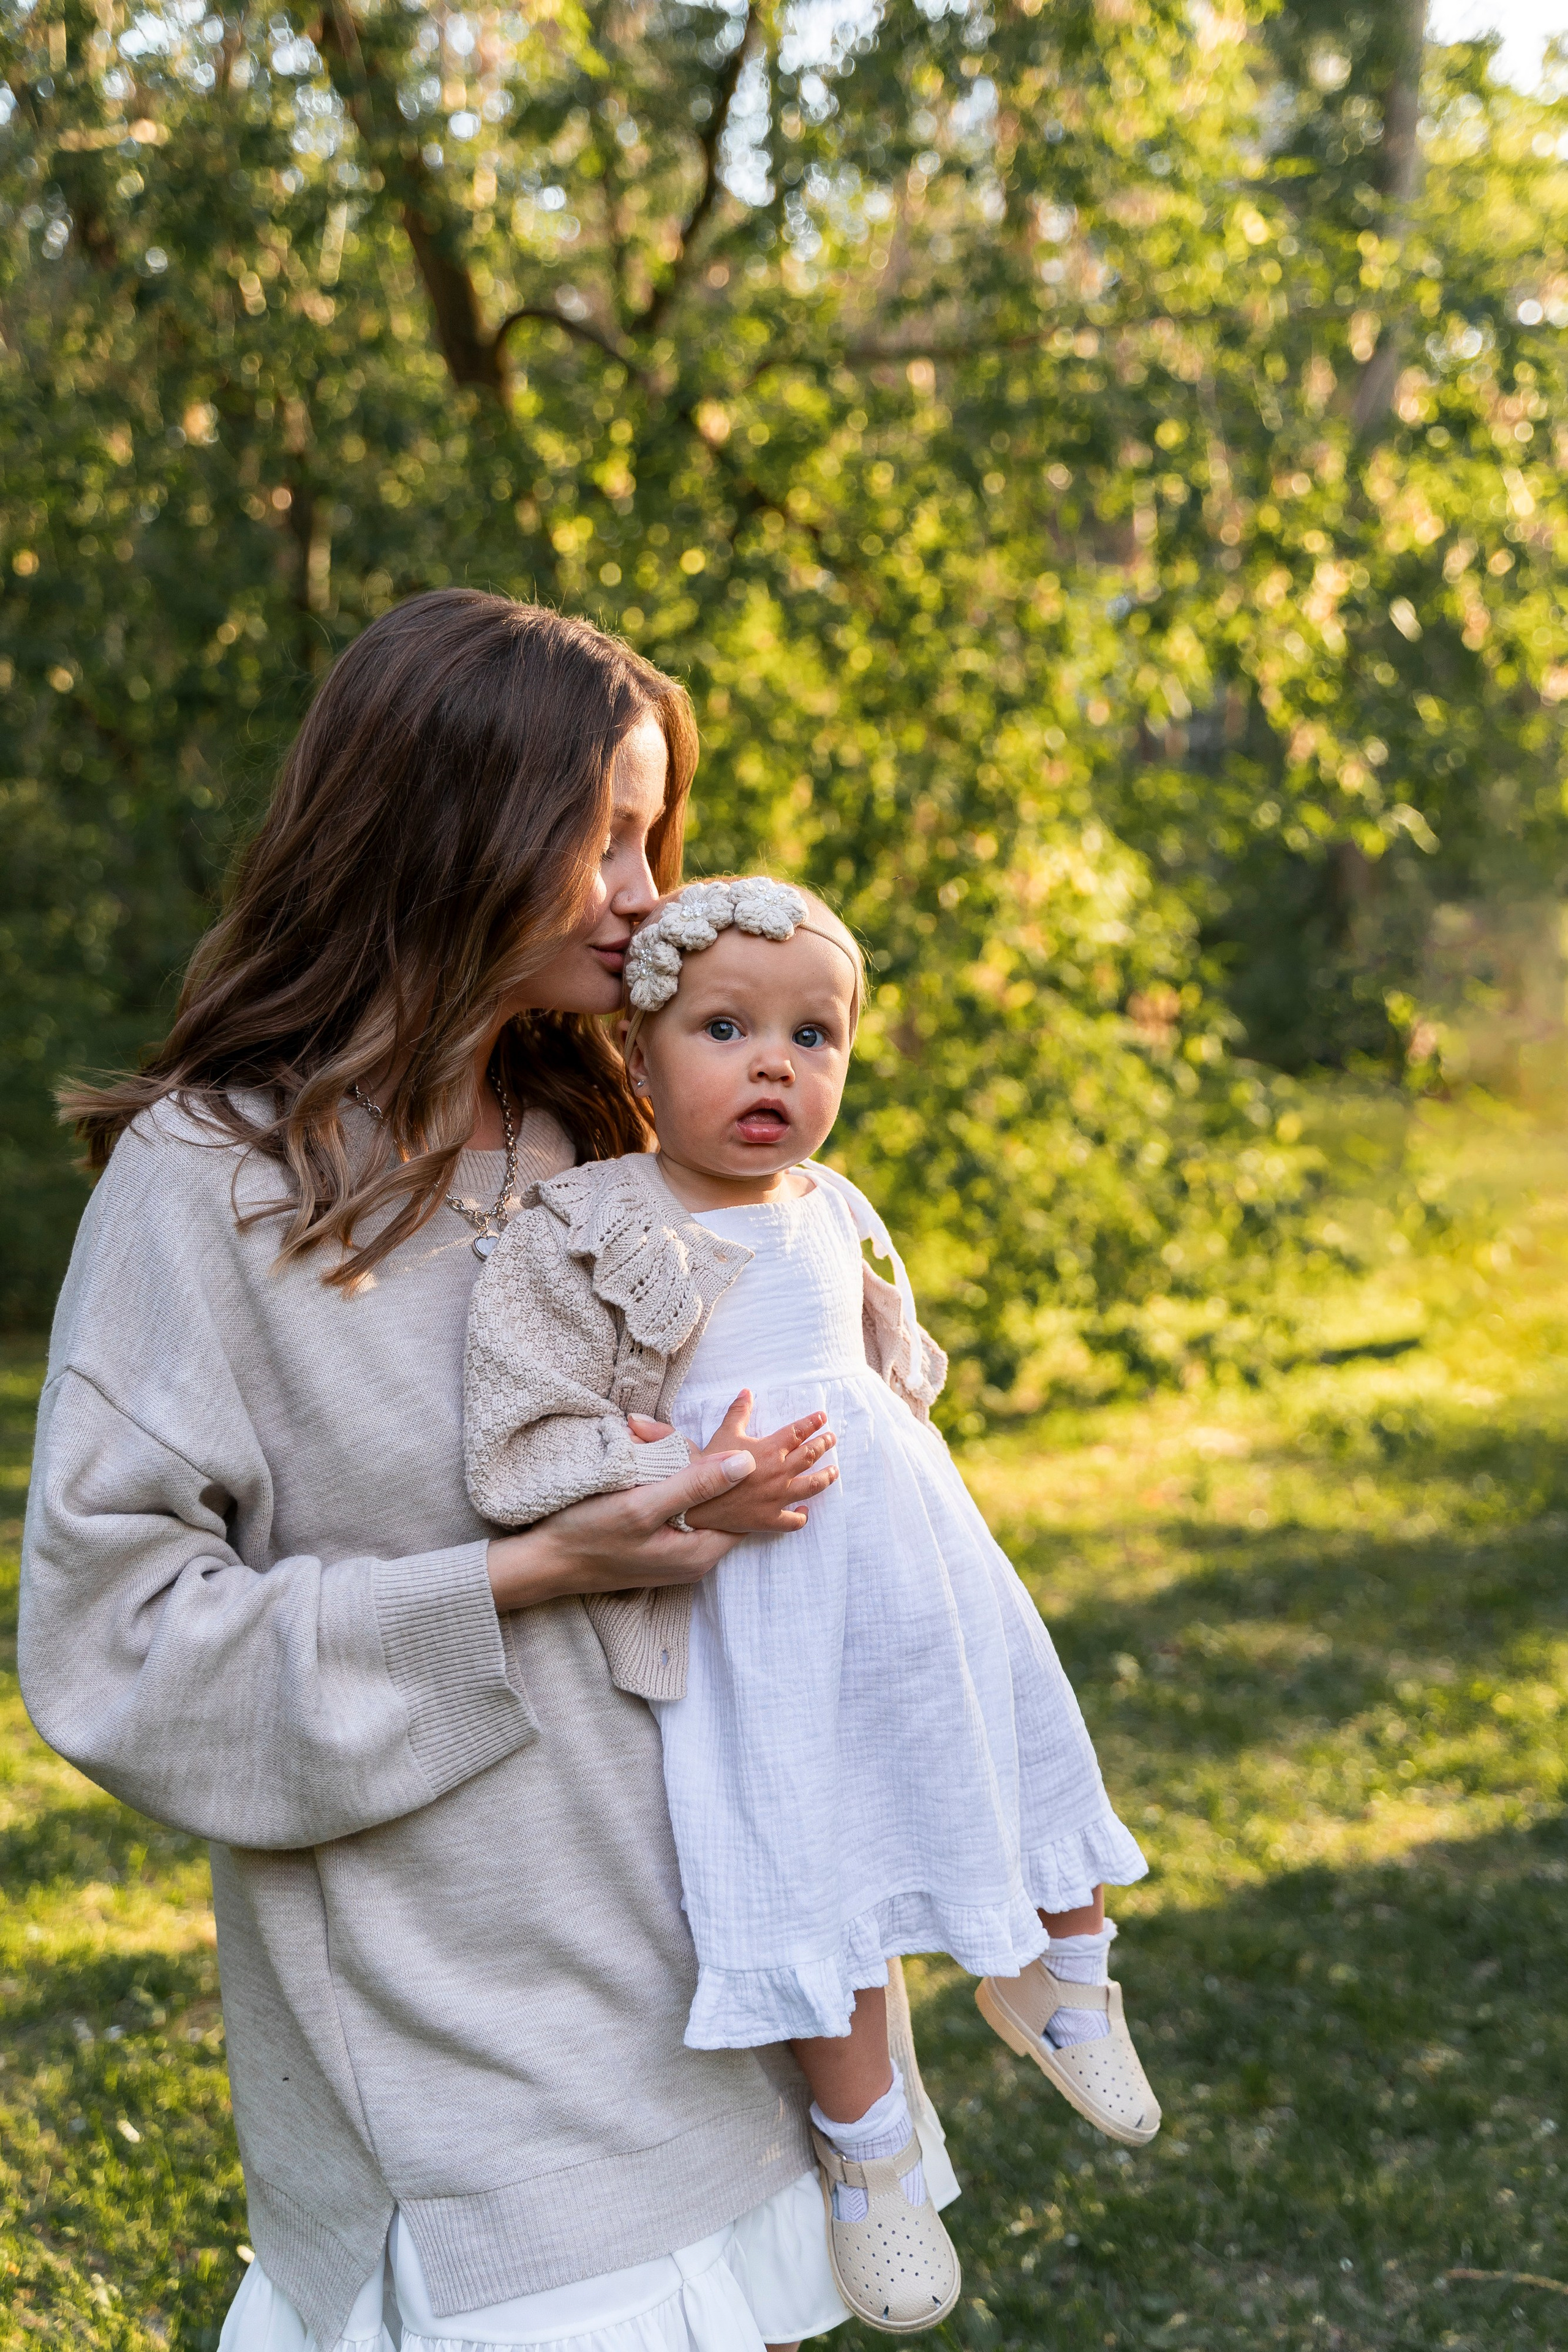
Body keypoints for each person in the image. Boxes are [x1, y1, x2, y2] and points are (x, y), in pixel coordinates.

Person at [18, 592, 956, 2352]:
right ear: (448, 823)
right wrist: (537, 1569)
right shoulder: (209, 1183)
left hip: (729, 2004)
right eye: (600, 833)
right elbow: (112, 1645)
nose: (644, 892)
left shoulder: (603, 1135)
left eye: (649, 834)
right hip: (472, 2070)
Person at [462, 874, 1161, 2336]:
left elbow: (889, 1365)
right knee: (803, 1861)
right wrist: (666, 1467)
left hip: (908, 1570)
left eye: (814, 1036)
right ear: (640, 1058)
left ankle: (1068, 1977)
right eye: (726, 1029)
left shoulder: (834, 1204)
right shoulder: (598, 1220)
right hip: (751, 1598)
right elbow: (530, 1427)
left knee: (1022, 1742)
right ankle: (868, 2153)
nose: (776, 1064)